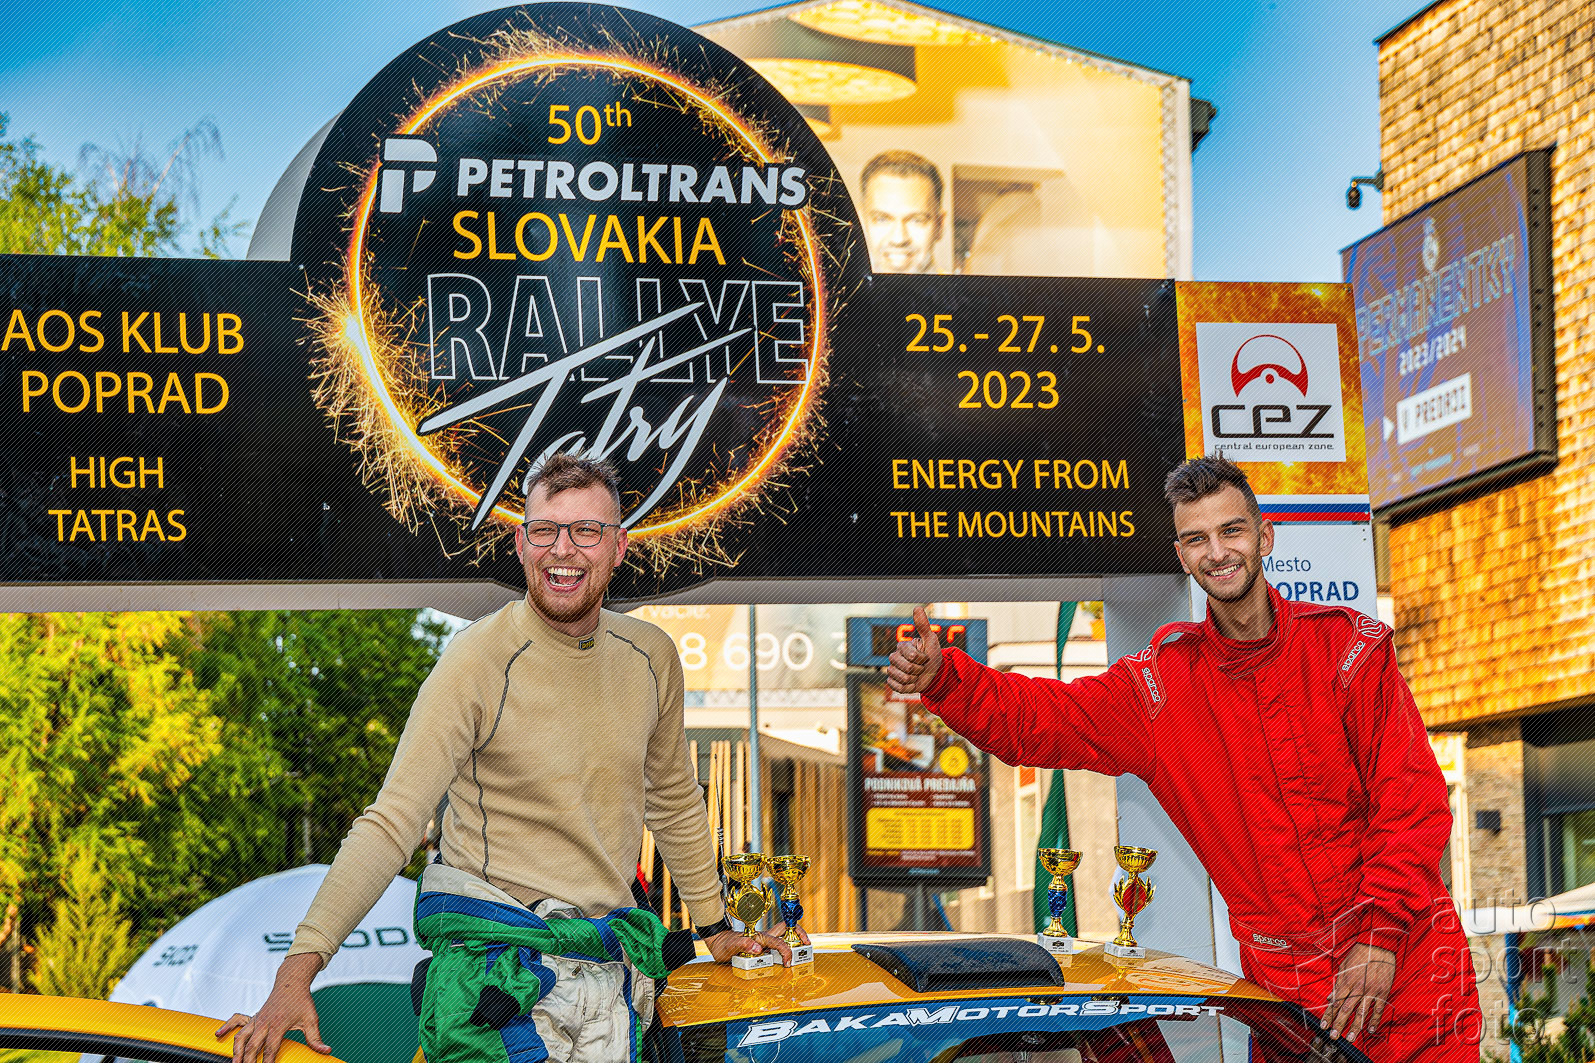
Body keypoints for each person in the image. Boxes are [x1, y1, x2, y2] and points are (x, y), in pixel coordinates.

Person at [886, 454, 1479, 1061]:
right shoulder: (1162, 687)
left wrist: (1379, 937)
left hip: (1412, 969)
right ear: (1182, 555)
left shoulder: (1348, 649)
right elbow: (1045, 719)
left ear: (1265, 537)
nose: (1217, 552)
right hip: (1292, 997)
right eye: (1197, 539)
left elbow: (1413, 805)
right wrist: (946, 680)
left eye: (1231, 531)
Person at [219, 454, 799, 1063]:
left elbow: (674, 800)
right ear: (521, 545)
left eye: (586, 531)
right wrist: (295, 975)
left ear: (618, 547)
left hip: (611, 980)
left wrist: (716, 928)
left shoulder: (651, 656)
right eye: (545, 530)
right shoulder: (475, 659)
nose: (563, 550)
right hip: (495, 983)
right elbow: (393, 823)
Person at [860, 150, 944, 275]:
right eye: (882, 219)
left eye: (917, 220)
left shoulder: (963, 289)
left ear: (940, 225)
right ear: (862, 222)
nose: (898, 239)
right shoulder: (839, 287)